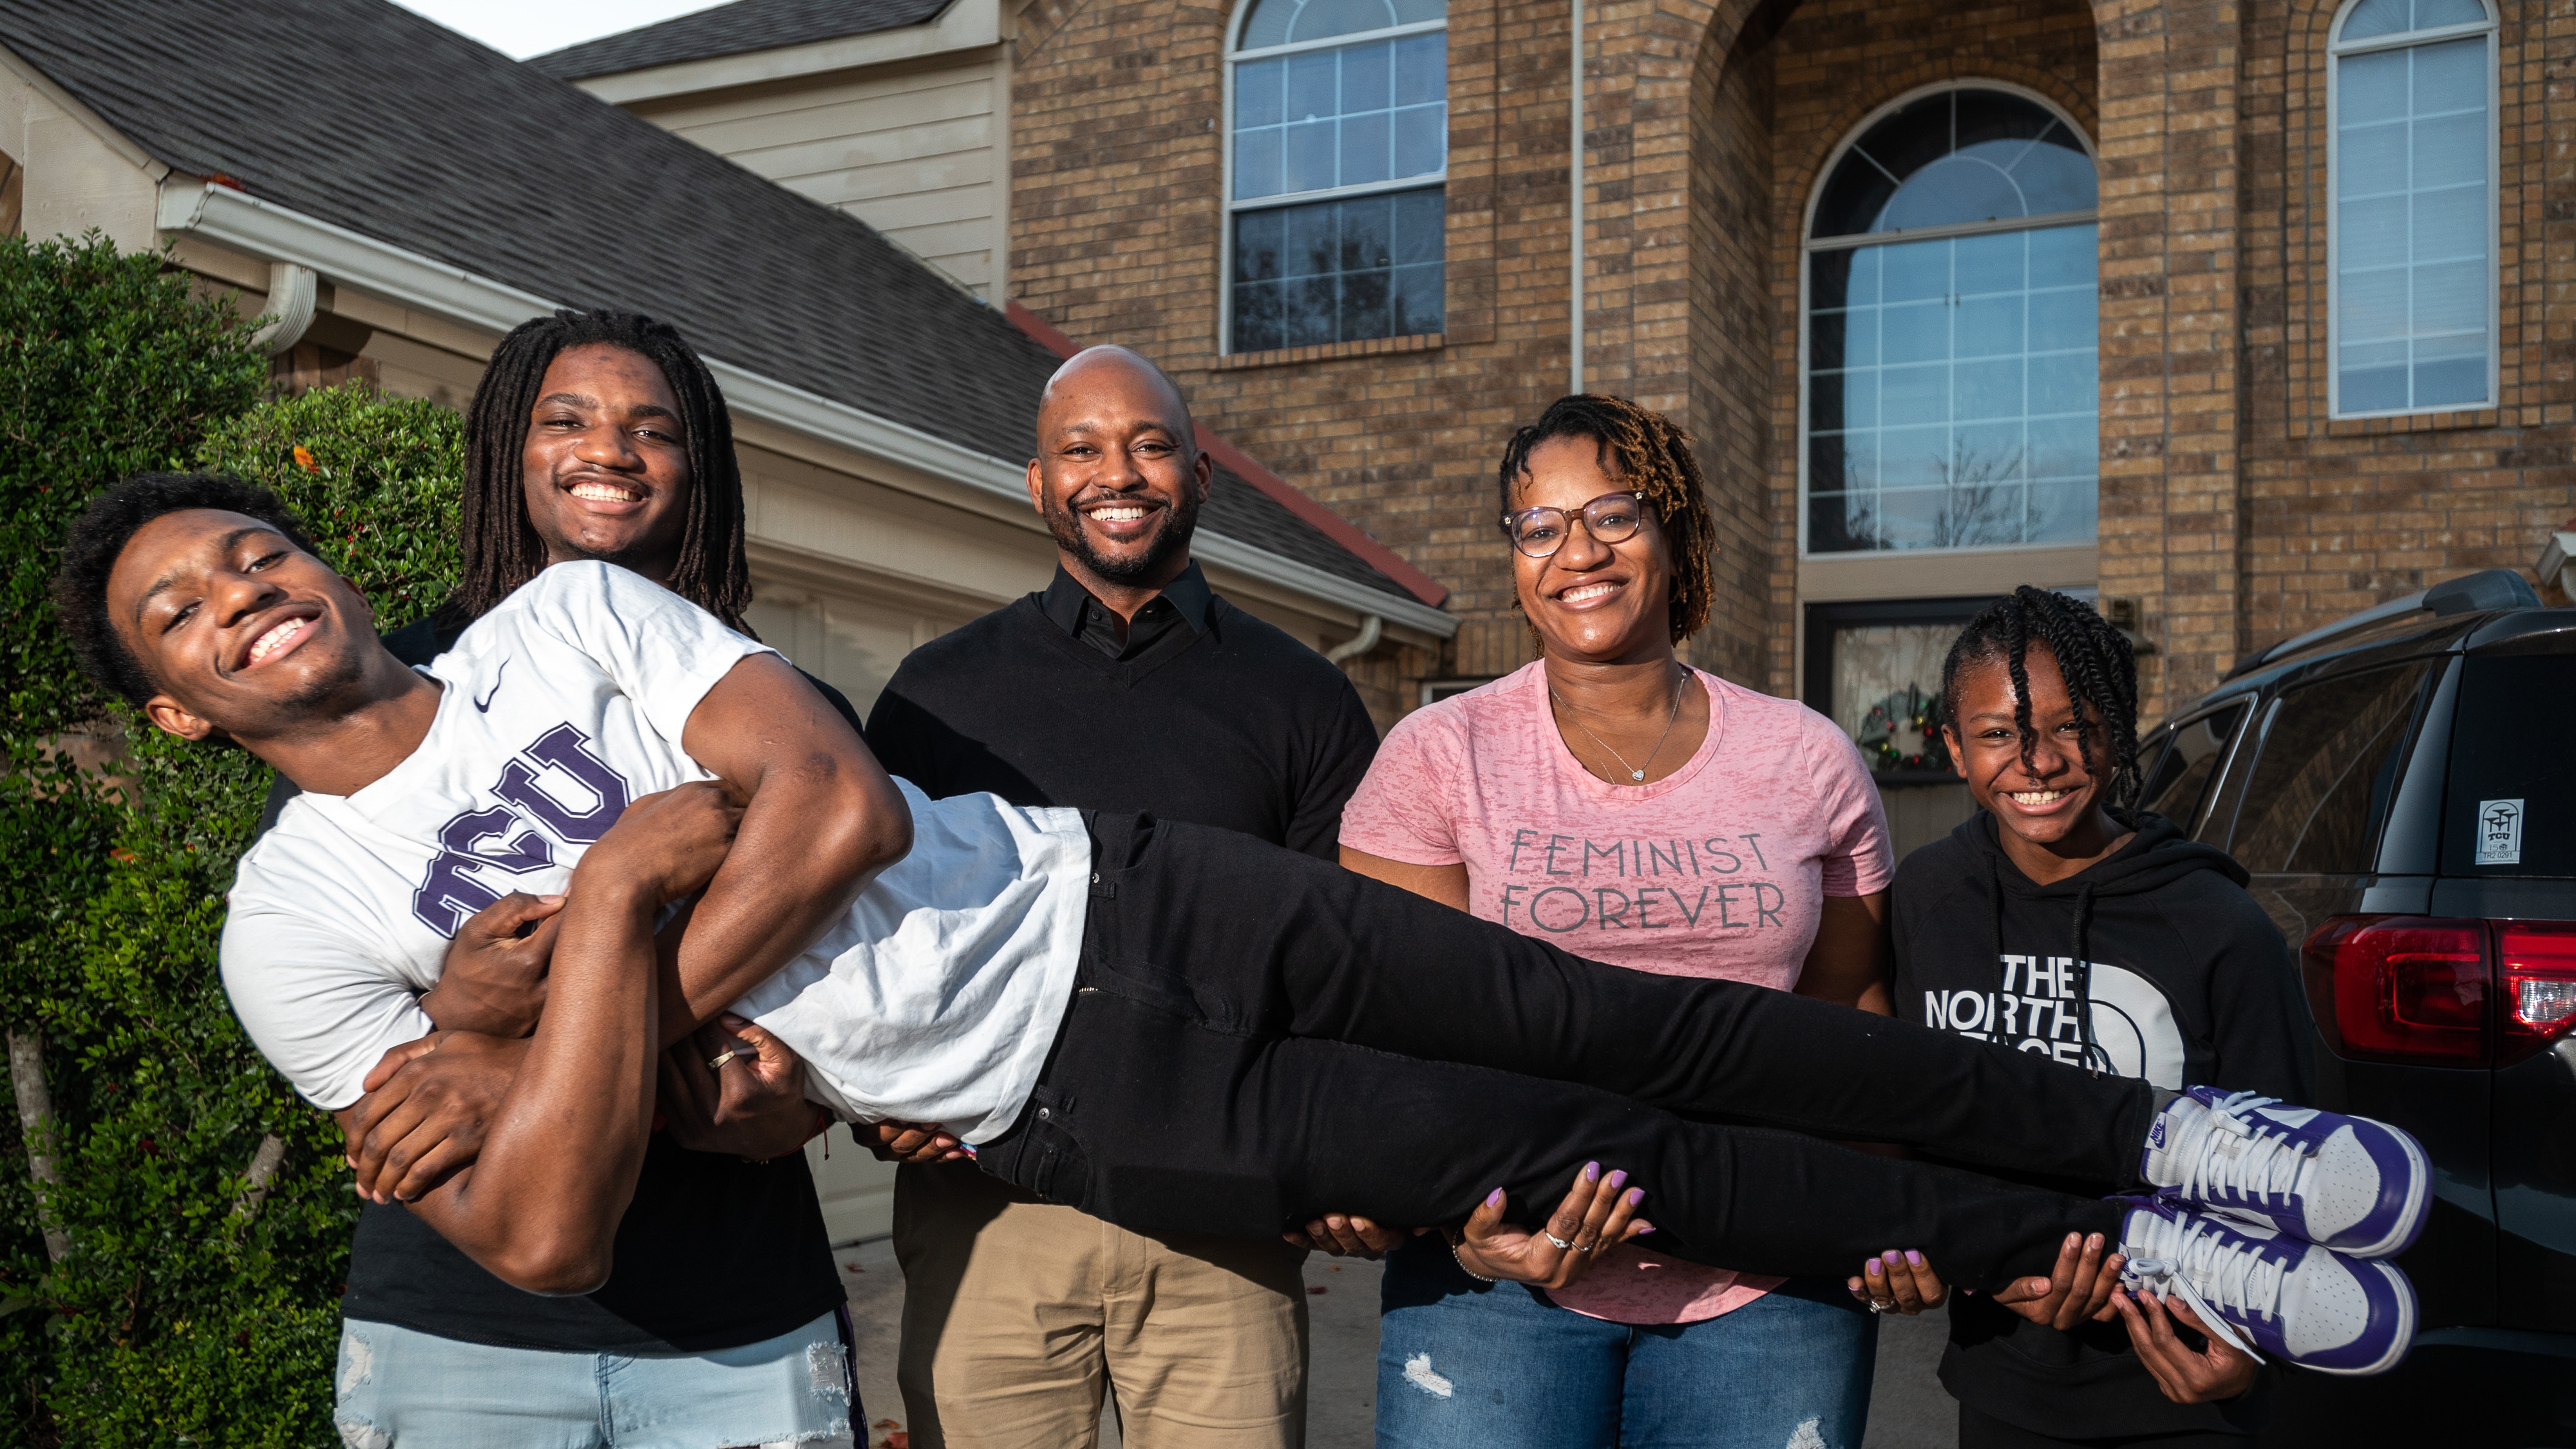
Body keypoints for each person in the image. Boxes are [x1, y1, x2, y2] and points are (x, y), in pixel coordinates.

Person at [55, 473, 2433, 1387]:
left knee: (1666, 1028)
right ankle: (2131, 1255)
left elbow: (844, 808)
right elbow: (551, 1228)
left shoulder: (571, 615)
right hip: (1085, 1104)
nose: (245, 602)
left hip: (1142, 894)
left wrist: (589, 941)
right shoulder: (301, 928)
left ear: (323, 562)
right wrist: (630, 930)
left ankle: (2181, 1146)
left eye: (253, 558)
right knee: (1631, 1160)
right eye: (185, 613)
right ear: (169, 709)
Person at [243, 309, 863, 1447]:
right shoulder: (378, 712)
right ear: (504, 452)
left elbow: (866, 994)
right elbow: (363, 1056)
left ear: (700, 469)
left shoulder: (789, 722)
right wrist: (485, 1046)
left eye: (653, 429)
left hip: (737, 1314)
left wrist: (808, 1104)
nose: (610, 450)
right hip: (459, 1332)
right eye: (564, 418)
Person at [1334, 395, 1891, 1446]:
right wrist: (1467, 1231)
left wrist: (1885, 1216)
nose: (1575, 551)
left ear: (1675, 533)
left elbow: (1852, 1021)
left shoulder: (1806, 757)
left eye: (1614, 516)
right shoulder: (1439, 755)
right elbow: (1400, 1034)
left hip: (1767, 1285)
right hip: (1499, 1287)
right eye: (1539, 527)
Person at [861, 345, 1379, 1448]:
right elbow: (875, 934)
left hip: (1223, 1223)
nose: (1119, 472)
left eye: (1150, 445)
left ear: (1199, 471)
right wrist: (877, 1095)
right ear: (1038, 481)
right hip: (988, 1216)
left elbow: (1345, 964)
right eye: (1081, 448)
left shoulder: (1302, 696)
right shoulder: (937, 698)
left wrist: (1338, 1156)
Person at [1893, 587, 2316, 1448]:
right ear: (1954, 747)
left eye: (2069, 725)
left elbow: (2294, 1166)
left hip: (2181, 1380)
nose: (2037, 761)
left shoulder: (2215, 923)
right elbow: (1901, 1111)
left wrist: (2248, 1341)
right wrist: (1935, 1251)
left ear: (2117, 730)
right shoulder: (1925, 900)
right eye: (1999, 732)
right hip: (2004, 1375)